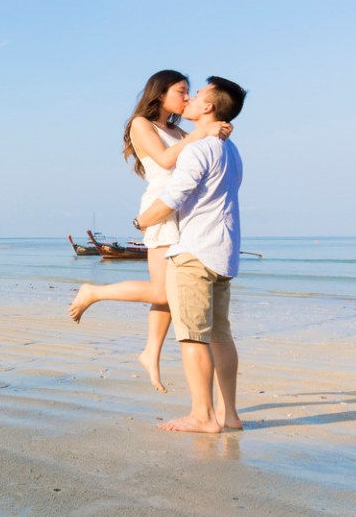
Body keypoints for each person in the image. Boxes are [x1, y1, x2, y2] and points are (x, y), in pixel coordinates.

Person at [67, 70, 229, 393]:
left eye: (189, 92)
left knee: (169, 291)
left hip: (182, 212)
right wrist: (203, 133)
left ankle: (150, 353)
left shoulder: (178, 129)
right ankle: (93, 292)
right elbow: (167, 161)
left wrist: (216, 130)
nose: (187, 97)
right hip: (160, 209)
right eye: (182, 91)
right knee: (163, 292)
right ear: (160, 94)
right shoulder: (141, 124)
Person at [134, 76, 247, 433]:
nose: (191, 98)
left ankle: (202, 416)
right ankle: (229, 415)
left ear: (209, 107)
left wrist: (141, 221)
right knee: (220, 335)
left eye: (195, 94)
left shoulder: (198, 146)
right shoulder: (230, 148)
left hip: (194, 251)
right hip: (224, 252)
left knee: (193, 336)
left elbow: (173, 198)